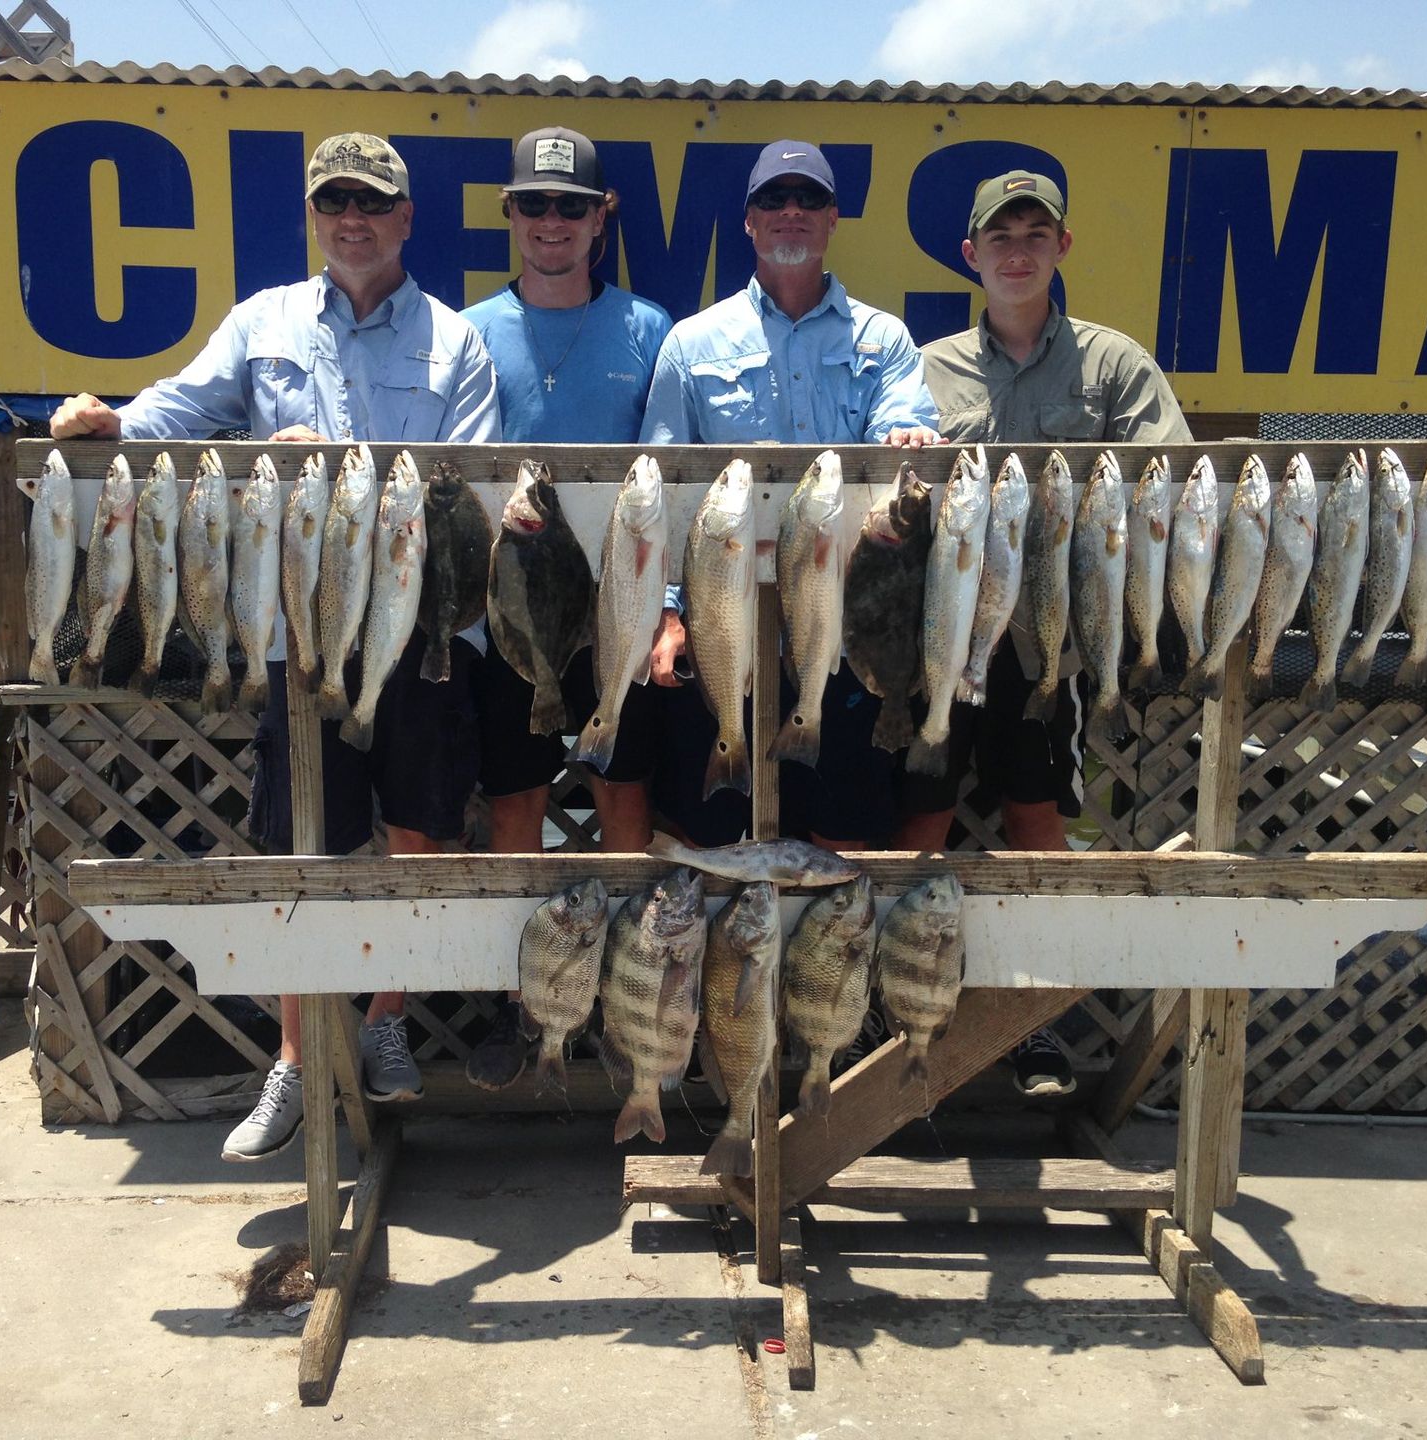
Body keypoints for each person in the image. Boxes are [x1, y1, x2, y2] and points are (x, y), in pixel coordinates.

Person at [51, 132, 500, 1157]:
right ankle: (295, 1059)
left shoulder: (456, 342)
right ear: (314, 217)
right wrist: (105, 419)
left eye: (371, 203)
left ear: (405, 219)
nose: (352, 219)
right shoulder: (262, 322)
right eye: (333, 202)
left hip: (417, 629)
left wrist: (345, 463)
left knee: (418, 833)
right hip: (297, 642)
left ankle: (385, 1022)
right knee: (302, 845)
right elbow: (173, 411)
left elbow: (465, 483)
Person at [897, 169, 1192, 1097]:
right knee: (919, 827)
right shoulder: (925, 367)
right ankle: (912, 1018)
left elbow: (1172, 476)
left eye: (1035, 234)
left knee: (1034, 823)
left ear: (1062, 247)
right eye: (1000, 237)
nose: (1017, 251)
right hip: (943, 643)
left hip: (1051, 651)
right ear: (970, 255)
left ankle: (1033, 1023)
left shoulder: (1115, 366)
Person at [639, 139, 940, 852]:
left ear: (834, 217)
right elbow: (668, 492)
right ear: (749, 221)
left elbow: (906, 425)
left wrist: (906, 445)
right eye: (773, 199)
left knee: (848, 836)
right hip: (724, 623)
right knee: (710, 839)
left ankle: (825, 962)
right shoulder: (691, 344)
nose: (791, 212)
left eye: (808, 198)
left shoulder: (886, 337)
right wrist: (670, 614)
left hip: (846, 631)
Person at [457, 126, 673, 1089]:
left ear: (601, 220)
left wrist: (665, 606)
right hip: (516, 612)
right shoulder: (468, 332)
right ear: (510, 215)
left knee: (626, 797)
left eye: (571, 206)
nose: (553, 223)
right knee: (515, 803)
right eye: (534, 204)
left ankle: (622, 1002)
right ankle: (524, 1001)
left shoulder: (650, 330)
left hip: (618, 611)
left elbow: (669, 476)